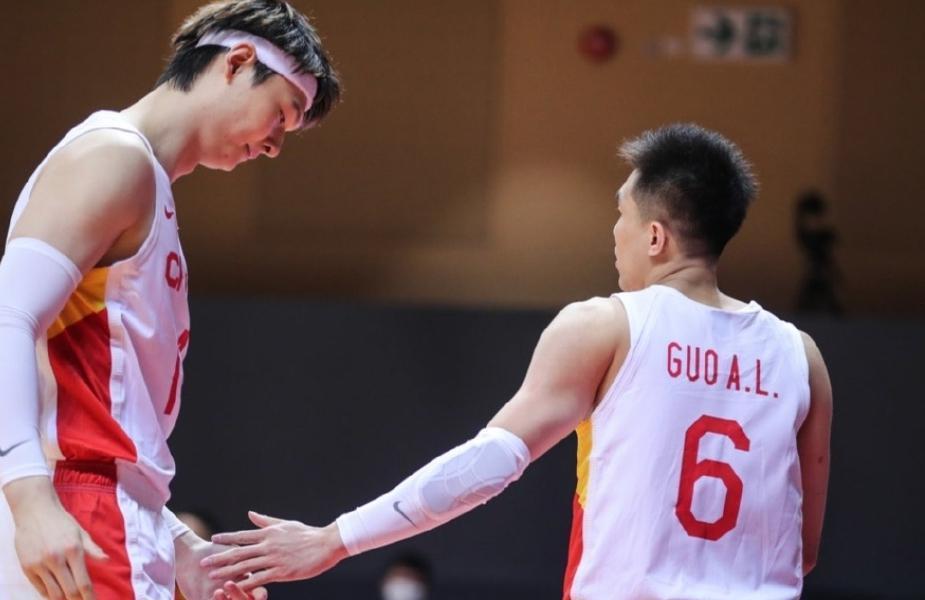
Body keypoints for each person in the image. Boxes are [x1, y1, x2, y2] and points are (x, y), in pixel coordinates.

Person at [203, 124, 832, 599]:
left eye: (620, 214)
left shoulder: (607, 325)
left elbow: (487, 464)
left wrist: (333, 539)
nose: (613, 232)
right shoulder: (799, 356)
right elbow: (801, 552)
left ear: (654, 236)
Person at [0, 1, 340, 599]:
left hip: (106, 504)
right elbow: (7, 316)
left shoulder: (147, 185)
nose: (275, 145)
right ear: (237, 63)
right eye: (281, 114)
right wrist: (29, 499)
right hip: (75, 503)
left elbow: (116, 414)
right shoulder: (114, 158)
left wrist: (180, 546)